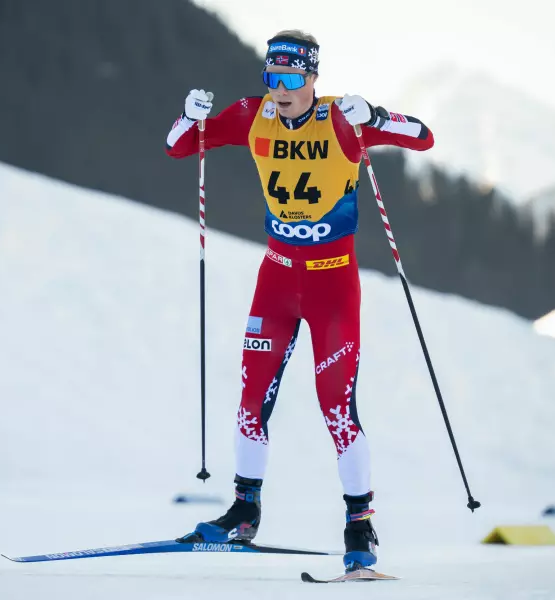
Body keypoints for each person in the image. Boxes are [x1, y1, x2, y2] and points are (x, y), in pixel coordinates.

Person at [165, 29, 434, 572]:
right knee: (250, 397)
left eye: (291, 79)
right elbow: (179, 146)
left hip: (333, 284)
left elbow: (423, 137)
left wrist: (377, 116)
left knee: (336, 406)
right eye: (273, 78)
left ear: (313, 77)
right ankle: (244, 512)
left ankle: (360, 524)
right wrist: (187, 117)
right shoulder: (252, 115)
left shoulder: (340, 118)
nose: (281, 90)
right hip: (278, 277)